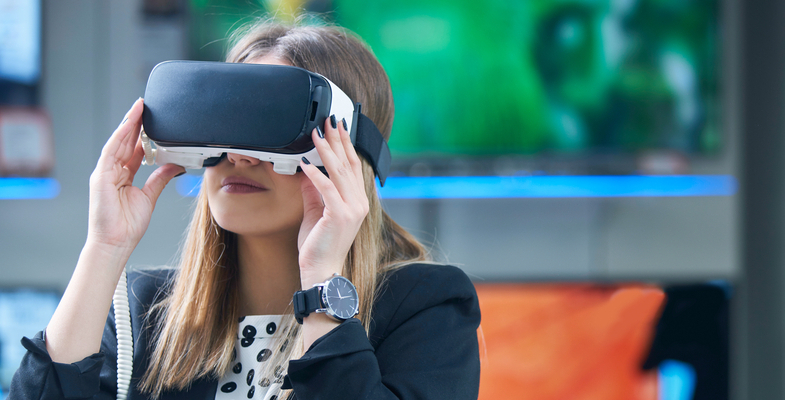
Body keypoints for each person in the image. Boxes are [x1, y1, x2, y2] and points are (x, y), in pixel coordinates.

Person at [8, 18, 481, 400]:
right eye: (228, 122)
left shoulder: (426, 308)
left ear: (347, 156)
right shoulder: (143, 311)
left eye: (272, 127)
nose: (240, 156)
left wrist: (322, 286)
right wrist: (104, 247)